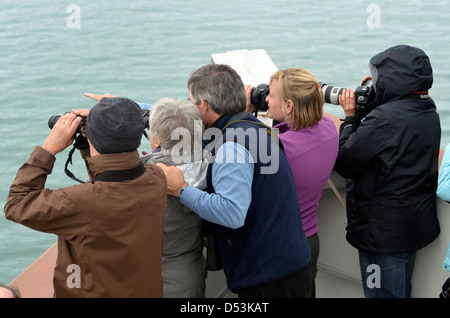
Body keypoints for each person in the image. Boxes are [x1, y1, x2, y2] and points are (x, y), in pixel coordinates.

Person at [157, 63, 312, 298]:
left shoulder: (231, 147)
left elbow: (232, 213)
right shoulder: (254, 128)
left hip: (267, 278)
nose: (189, 107)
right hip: (290, 263)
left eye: (191, 101)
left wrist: (181, 189)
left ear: (204, 105)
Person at [4, 97, 167, 297]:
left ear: (93, 138)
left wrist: (48, 149)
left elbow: (16, 204)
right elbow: (110, 181)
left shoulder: (79, 202)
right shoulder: (156, 178)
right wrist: (94, 137)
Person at [335, 44, 441, 298]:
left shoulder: (384, 119)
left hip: (382, 233)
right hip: (411, 224)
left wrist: (350, 118)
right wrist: (376, 97)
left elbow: (346, 161)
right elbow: (393, 133)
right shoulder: (428, 110)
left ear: (393, 78)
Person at [245, 67, 339, 298]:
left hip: (277, 250)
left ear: (289, 106)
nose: (265, 99)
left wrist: (245, 113)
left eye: (271, 96)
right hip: (308, 242)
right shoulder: (328, 128)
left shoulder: (280, 149)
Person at [142, 98, 208, 297]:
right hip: (190, 273)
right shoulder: (211, 161)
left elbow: (98, 189)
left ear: (156, 141)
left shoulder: (144, 172)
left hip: (151, 276)